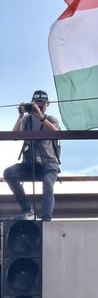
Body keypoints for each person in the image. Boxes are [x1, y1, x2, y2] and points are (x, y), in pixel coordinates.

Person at [3, 90, 61, 221]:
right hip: (29, 163)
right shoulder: (27, 119)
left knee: (48, 184)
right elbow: (15, 136)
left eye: (42, 104)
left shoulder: (51, 119)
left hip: (49, 163)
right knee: (9, 173)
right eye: (36, 103)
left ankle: (46, 219)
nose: (39, 106)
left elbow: (56, 133)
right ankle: (27, 208)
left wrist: (41, 117)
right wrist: (20, 115)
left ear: (48, 104)